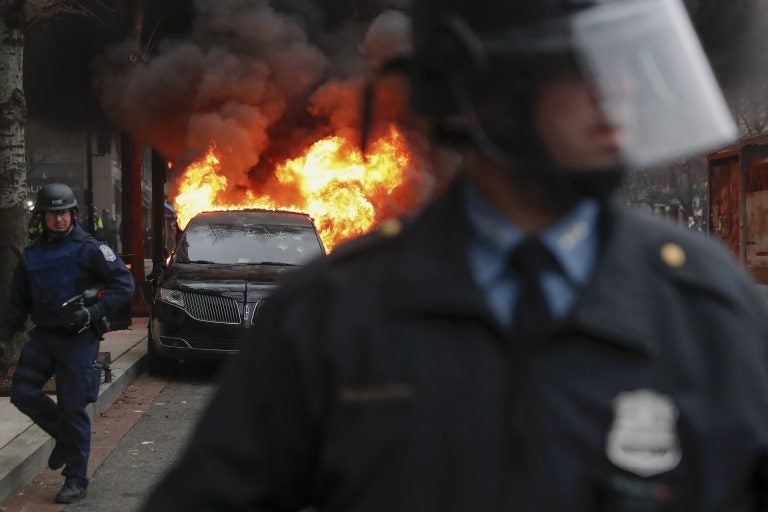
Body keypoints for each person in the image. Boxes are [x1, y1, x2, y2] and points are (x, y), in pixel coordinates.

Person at [142, 1, 768, 510]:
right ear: (482, 84)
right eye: (586, 67)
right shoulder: (334, 316)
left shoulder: (709, 308)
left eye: (631, 63)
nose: (621, 96)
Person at [0, 183, 134, 504]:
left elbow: (123, 285)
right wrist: (2, 339)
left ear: (72, 213)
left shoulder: (91, 249)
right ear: (43, 218)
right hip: (44, 336)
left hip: (78, 339)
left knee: (72, 407)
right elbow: (16, 304)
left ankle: (76, 477)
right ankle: (64, 437)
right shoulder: (32, 256)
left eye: (63, 213)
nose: (58, 219)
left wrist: (93, 311)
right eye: (52, 214)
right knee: (22, 392)